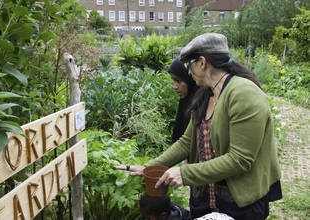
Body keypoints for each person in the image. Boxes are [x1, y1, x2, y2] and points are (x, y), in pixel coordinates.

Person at [115, 33, 282, 220]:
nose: (188, 72)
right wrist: (149, 167)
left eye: (189, 65)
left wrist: (184, 173)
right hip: (204, 198)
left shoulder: (244, 93)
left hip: (238, 203)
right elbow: (187, 142)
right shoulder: (206, 94)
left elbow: (240, 159)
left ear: (202, 62)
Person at [168, 59, 199, 143]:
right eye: (173, 81)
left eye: (178, 80)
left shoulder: (200, 104)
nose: (175, 86)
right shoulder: (186, 100)